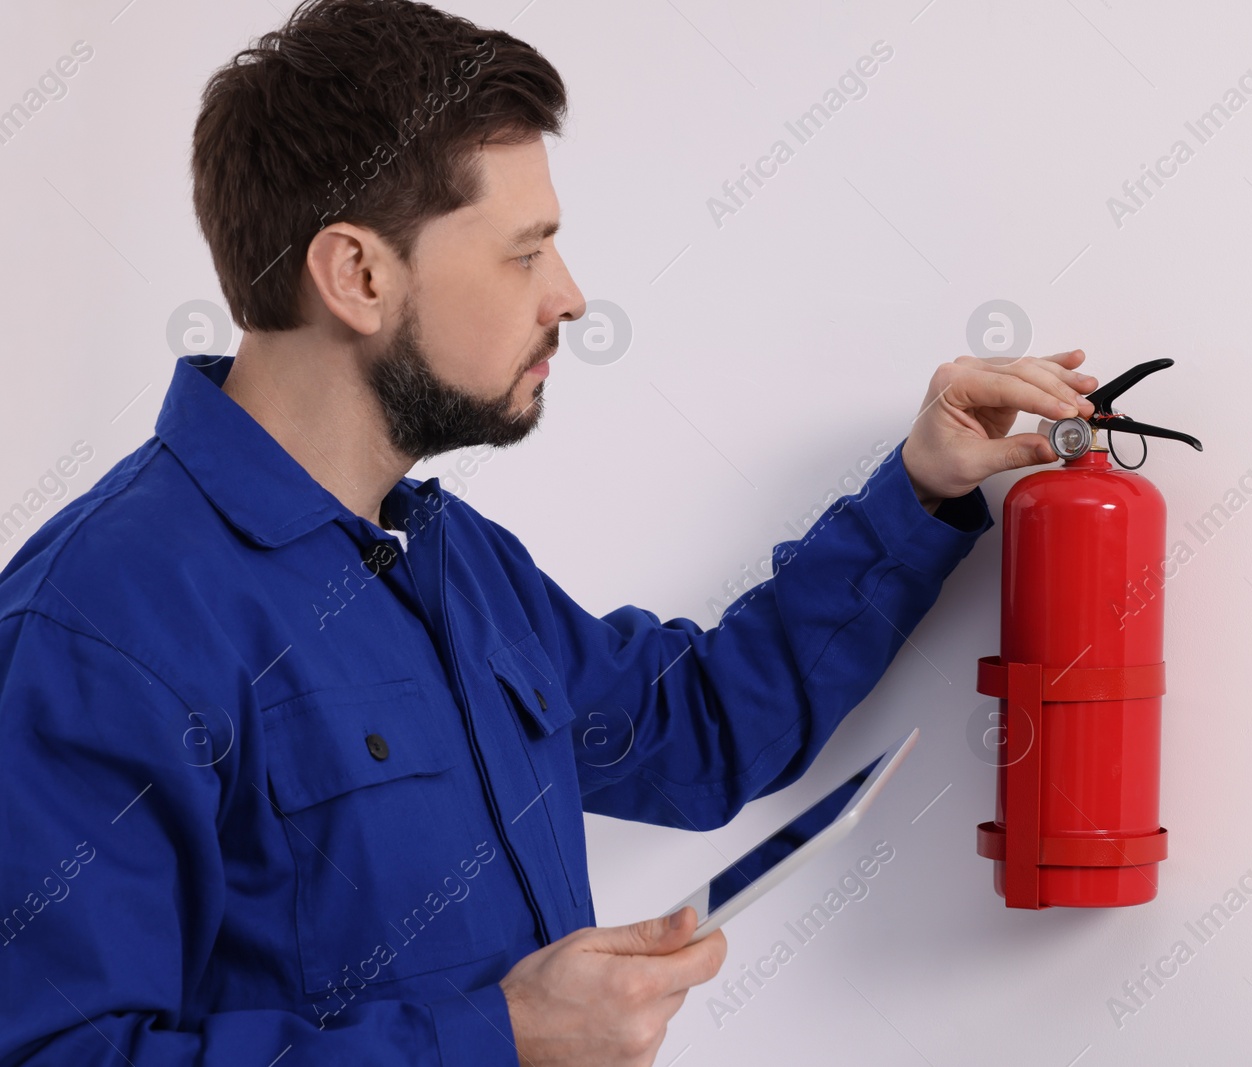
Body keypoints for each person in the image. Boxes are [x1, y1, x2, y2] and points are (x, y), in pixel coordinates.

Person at [0, 1, 1097, 1064]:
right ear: (359, 274)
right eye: (526, 251)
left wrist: (916, 491)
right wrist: (499, 1039)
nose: (568, 296)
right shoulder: (95, 625)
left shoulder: (445, 560)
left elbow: (696, 728)